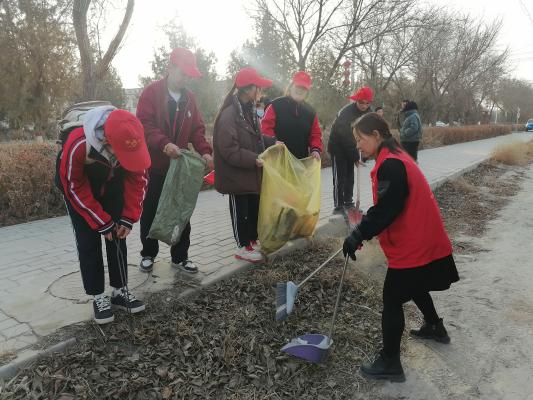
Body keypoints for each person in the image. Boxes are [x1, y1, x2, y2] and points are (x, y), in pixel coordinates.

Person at [342, 112, 459, 382]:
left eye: (360, 139)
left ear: (376, 136)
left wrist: (357, 234)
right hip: (424, 236)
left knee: (392, 300)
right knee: (416, 285)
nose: (358, 145)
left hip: (414, 242)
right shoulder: (396, 156)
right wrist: (361, 232)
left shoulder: (391, 164)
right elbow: (389, 207)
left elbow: (386, 210)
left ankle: (390, 362)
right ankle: (435, 328)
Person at [56, 106, 150, 325]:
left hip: (112, 186)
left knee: (118, 235)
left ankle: (119, 291)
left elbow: (140, 177)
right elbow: (72, 185)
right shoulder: (79, 143)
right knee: (88, 241)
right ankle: (98, 296)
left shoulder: (132, 136)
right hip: (78, 189)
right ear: (107, 140)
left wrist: (129, 217)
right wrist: (101, 221)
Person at [136, 47, 213, 274]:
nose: (186, 78)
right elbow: (144, 125)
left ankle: (180, 256)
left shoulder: (190, 98)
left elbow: (197, 130)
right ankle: (148, 254)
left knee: (182, 211)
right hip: (155, 167)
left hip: (179, 168)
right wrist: (164, 144)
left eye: (190, 75)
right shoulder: (151, 93)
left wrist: (205, 151)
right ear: (170, 68)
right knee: (151, 211)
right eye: (183, 73)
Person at [213, 67, 276, 263]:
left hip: (249, 173)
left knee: (253, 208)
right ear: (249, 89)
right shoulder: (230, 115)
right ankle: (242, 246)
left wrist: (273, 143)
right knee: (241, 212)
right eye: (259, 87)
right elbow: (229, 149)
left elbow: (254, 138)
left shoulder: (248, 110)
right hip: (236, 175)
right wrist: (253, 159)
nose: (261, 92)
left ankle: (251, 241)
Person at [328, 86, 373, 214]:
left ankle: (349, 202)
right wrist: (355, 157)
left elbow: (369, 135)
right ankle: (339, 205)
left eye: (367, 103)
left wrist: (363, 156)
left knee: (350, 176)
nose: (364, 106)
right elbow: (345, 137)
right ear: (356, 100)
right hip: (338, 146)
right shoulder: (346, 113)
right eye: (361, 102)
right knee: (340, 177)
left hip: (352, 147)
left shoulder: (369, 114)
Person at [261, 71, 323, 160]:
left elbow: (316, 133)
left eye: (304, 88)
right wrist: (273, 143)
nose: (300, 90)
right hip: (277, 160)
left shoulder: (311, 112)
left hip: (300, 162)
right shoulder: (275, 105)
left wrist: (315, 149)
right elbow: (265, 128)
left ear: (307, 92)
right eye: (298, 86)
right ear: (291, 87)